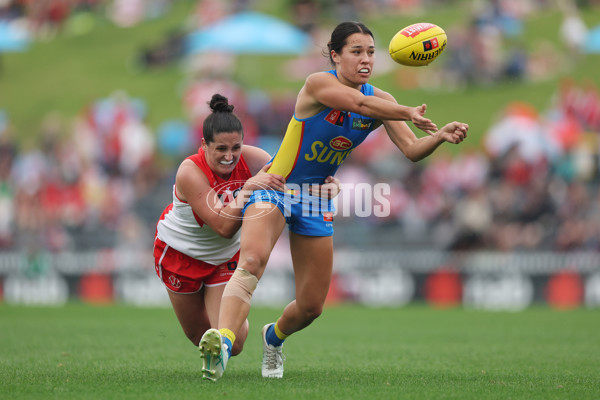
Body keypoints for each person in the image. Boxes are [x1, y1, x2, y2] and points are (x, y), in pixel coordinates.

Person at [199, 21, 469, 381]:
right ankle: (224, 344)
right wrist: (408, 111)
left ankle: (272, 337)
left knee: (311, 307)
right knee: (252, 260)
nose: (365, 59)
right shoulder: (318, 84)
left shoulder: (383, 102)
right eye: (356, 51)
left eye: (371, 52)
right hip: (274, 187)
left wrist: (441, 136)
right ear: (334, 55)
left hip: (315, 198)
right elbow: (358, 103)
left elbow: (411, 149)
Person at [153, 93, 339, 380]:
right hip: (180, 255)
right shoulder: (189, 171)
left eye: (236, 147)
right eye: (221, 149)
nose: (230, 156)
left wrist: (322, 188)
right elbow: (223, 225)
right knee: (197, 336)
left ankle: (230, 336)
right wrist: (250, 186)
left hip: (224, 257)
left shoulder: (254, 159)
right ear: (204, 145)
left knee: (236, 343)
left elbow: (294, 188)